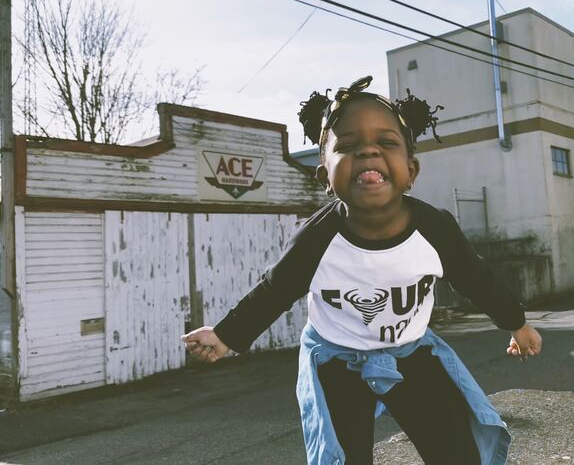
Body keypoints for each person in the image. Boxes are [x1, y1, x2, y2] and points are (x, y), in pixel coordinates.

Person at [181, 76, 542, 465]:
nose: (368, 153)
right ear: (325, 177)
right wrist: (225, 335)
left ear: (411, 170)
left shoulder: (434, 228)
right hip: (338, 359)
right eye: (349, 146)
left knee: (457, 451)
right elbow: (275, 290)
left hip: (411, 350)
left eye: (386, 143)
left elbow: (475, 277)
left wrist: (516, 323)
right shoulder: (316, 238)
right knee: (342, 457)